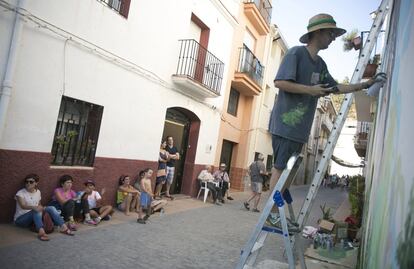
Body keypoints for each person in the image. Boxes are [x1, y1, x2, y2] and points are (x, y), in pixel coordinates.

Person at [266, 13, 380, 228]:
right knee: (280, 170)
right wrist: (309, 90)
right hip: (285, 125)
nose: (333, 38)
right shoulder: (295, 54)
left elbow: (336, 88)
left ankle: (275, 213)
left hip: (301, 129)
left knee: (287, 173)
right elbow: (280, 82)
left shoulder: (320, 65)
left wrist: (365, 85)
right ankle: (270, 214)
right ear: (317, 32)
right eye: (330, 33)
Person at [14, 174, 74, 240]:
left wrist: (42, 208)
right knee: (36, 210)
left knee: (51, 208)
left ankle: (63, 227)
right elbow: (23, 206)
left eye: (31, 182)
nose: (28, 183)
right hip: (20, 220)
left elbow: (39, 205)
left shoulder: (38, 192)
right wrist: (34, 208)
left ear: (36, 183)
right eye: (26, 182)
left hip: (33, 218)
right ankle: (41, 232)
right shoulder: (20, 193)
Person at [165, 136, 180, 200]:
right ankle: (159, 193)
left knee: (170, 181)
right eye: (169, 140)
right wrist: (174, 155)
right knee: (163, 180)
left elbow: (178, 157)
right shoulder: (166, 147)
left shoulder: (175, 148)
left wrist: (171, 156)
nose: (171, 141)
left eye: (171, 140)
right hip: (166, 165)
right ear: (167, 141)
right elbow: (167, 157)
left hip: (172, 166)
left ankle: (167, 192)